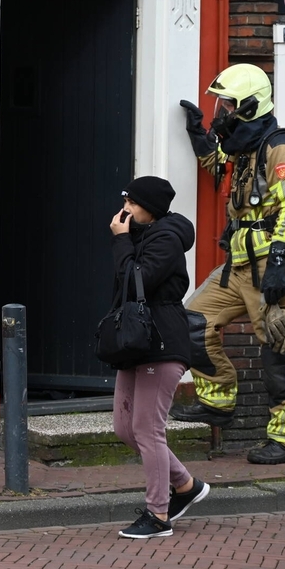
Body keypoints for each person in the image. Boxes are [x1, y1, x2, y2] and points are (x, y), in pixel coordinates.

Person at [171, 63, 285, 465]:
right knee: (193, 320)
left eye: (228, 104)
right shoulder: (246, 145)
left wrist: (281, 262)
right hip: (241, 261)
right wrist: (199, 133)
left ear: (250, 105)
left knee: (280, 351)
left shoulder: (279, 146)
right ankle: (218, 401)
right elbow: (218, 165)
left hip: (273, 262)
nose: (223, 111)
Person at [109, 176, 210, 539]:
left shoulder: (166, 240)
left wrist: (122, 240)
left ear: (148, 208)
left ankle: (158, 514)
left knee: (148, 430)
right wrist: (127, 238)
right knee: (125, 428)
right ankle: (186, 485)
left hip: (162, 342)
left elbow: (135, 280)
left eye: (131, 203)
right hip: (135, 343)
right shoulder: (141, 235)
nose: (124, 210)